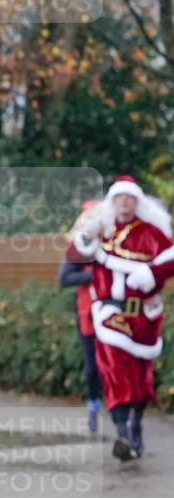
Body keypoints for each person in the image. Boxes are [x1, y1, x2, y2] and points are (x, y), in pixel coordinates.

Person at [66, 176, 174, 460]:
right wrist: (87, 236)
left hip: (144, 316)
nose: (125, 201)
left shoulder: (152, 233)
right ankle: (122, 433)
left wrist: (152, 273)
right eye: (119, 197)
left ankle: (136, 423)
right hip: (109, 312)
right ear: (112, 201)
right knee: (114, 370)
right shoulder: (103, 231)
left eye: (130, 197)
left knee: (140, 377)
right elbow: (73, 258)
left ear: (137, 201)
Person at [59, 200, 102, 432]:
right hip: (88, 314)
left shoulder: (115, 245)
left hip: (118, 312)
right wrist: (94, 276)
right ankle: (93, 406)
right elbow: (64, 279)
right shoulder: (79, 249)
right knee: (93, 365)